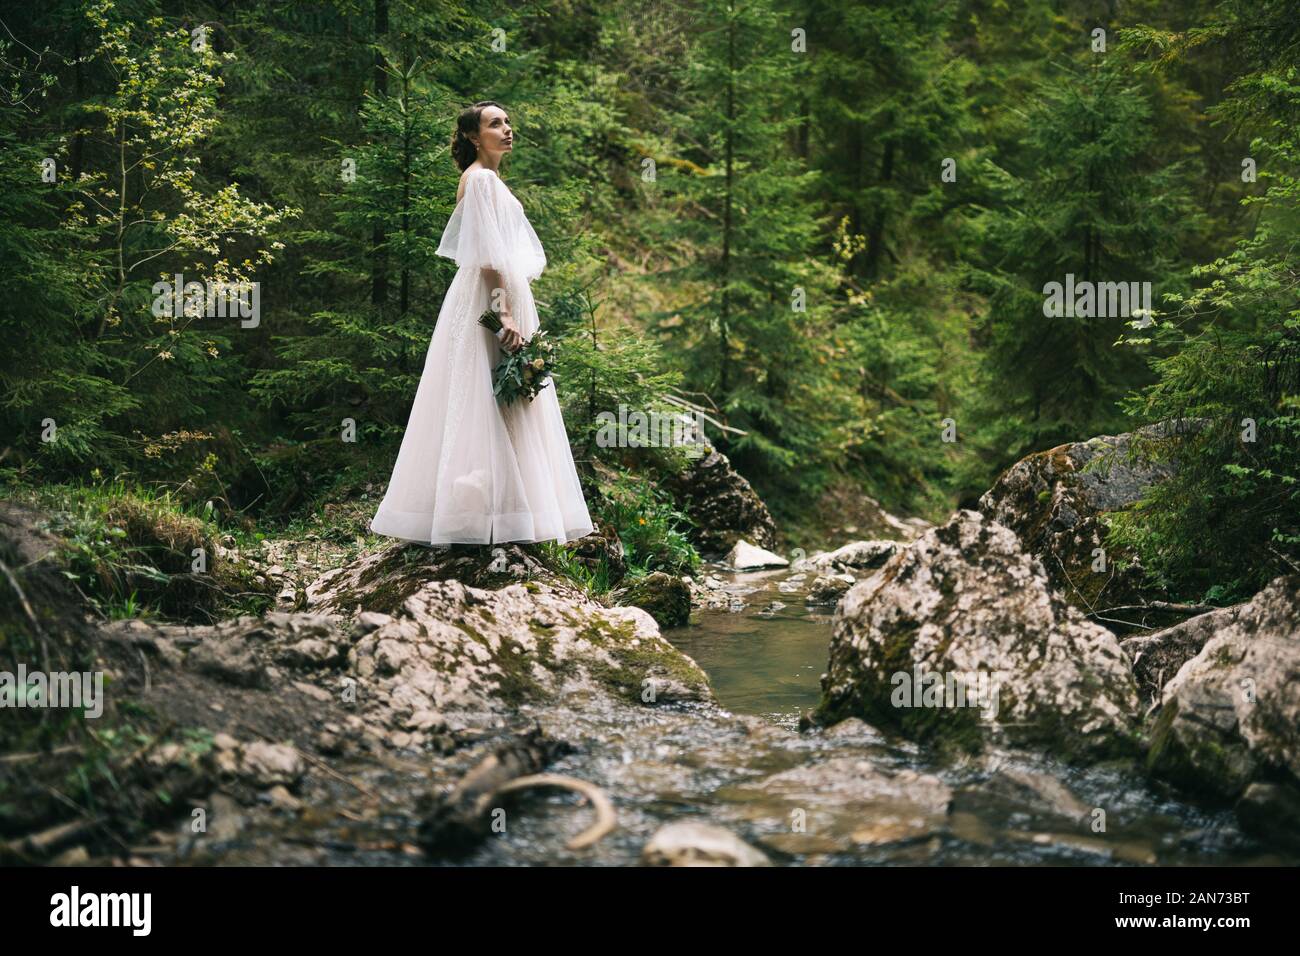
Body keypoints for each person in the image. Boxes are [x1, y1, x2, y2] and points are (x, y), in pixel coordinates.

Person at [369, 101, 595, 546]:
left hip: (497, 291)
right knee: (488, 397)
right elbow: (488, 254)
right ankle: (487, 516)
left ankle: (499, 510)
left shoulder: (487, 180)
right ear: (474, 136)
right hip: (491, 294)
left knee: (500, 396)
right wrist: (503, 312)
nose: (507, 129)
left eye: (508, 122)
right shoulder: (480, 179)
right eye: (496, 124)